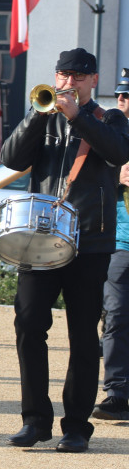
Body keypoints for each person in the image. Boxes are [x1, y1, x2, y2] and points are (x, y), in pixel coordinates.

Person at [1, 48, 129, 453]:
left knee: (82, 335)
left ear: (93, 80)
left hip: (90, 239)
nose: (68, 82)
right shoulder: (44, 115)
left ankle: (75, 425)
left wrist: (79, 117)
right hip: (39, 238)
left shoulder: (111, 118)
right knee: (28, 325)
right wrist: (37, 117)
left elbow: (118, 153)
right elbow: (10, 158)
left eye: (78, 75)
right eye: (63, 74)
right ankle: (34, 420)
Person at [96, 71, 129, 421]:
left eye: (128, 97)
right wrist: (117, 171)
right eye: (120, 96)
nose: (121, 102)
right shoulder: (111, 133)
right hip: (121, 243)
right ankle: (116, 392)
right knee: (116, 315)